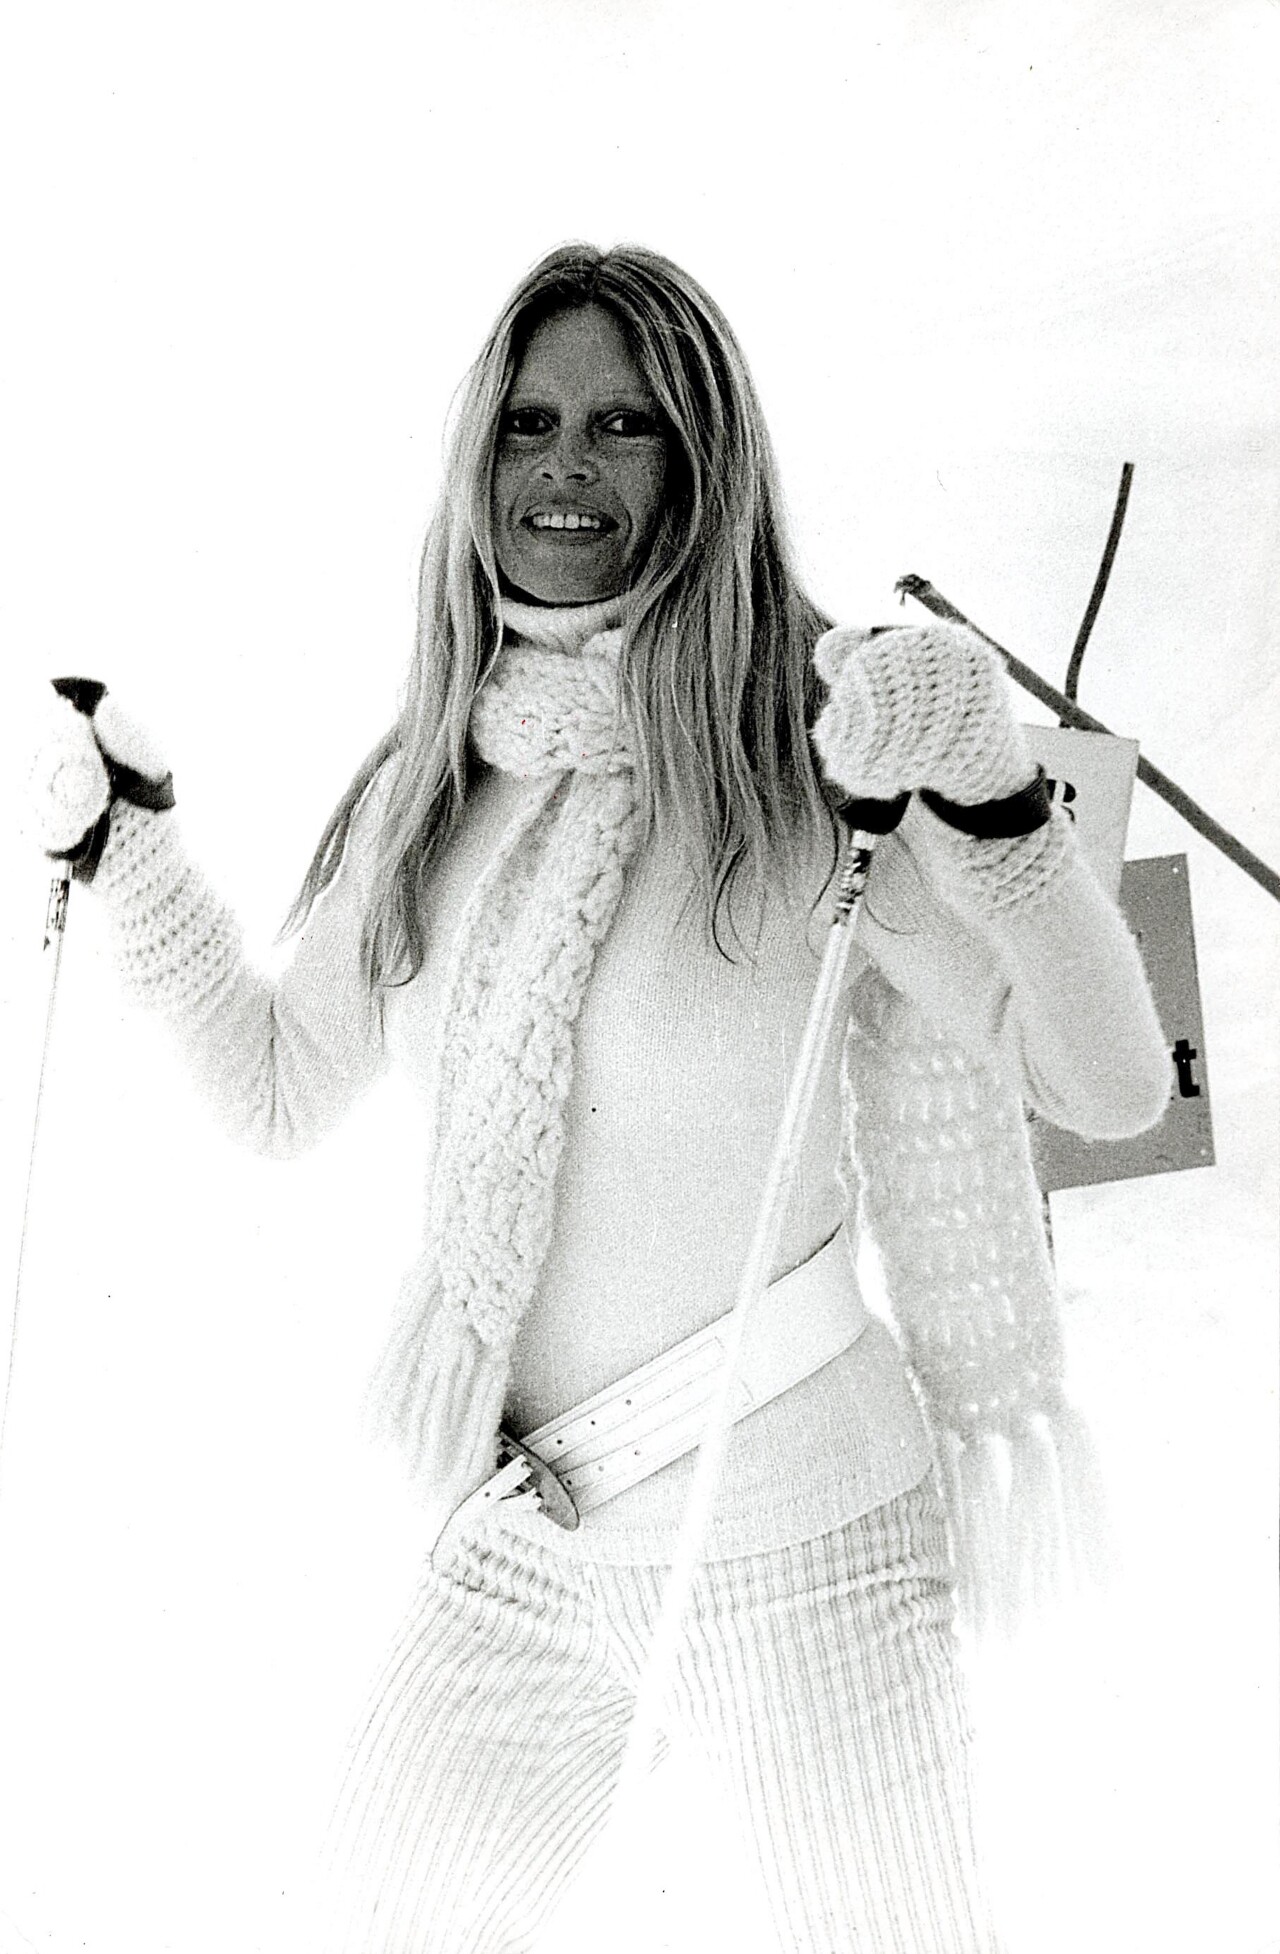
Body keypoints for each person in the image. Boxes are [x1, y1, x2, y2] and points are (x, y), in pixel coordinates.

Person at [26, 243, 1170, 1954]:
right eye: (531, 421)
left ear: (703, 457)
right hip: (531, 1540)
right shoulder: (441, 775)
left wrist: (991, 797)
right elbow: (277, 1087)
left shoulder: (811, 755)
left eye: (625, 424)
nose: (567, 465)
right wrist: (130, 854)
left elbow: (1108, 1081)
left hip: (804, 1543)